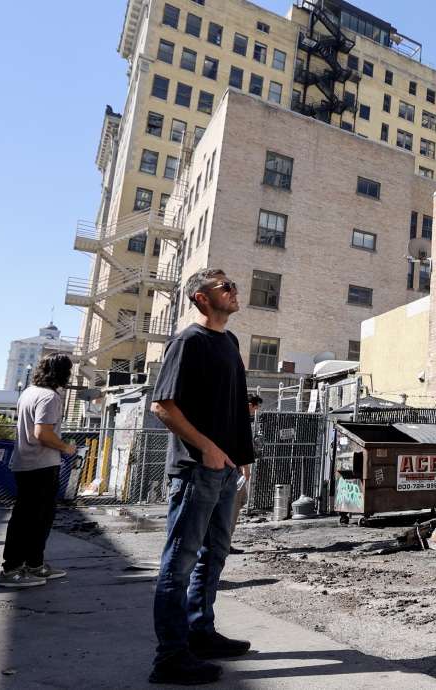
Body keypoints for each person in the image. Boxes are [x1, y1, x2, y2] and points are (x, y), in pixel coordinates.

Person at [149, 269, 255, 685]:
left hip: (226, 470)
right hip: (197, 470)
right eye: (225, 287)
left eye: (233, 284)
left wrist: (241, 458)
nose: (234, 291)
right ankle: (170, 656)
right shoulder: (187, 342)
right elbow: (164, 406)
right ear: (202, 298)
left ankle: (200, 632)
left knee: (214, 554)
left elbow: (234, 409)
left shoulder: (228, 342)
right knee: (180, 560)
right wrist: (208, 448)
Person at [0, 353, 76, 589]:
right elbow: (42, 433)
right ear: (62, 373)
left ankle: (34, 564)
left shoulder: (29, 393)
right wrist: (66, 448)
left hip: (26, 463)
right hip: (41, 466)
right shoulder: (49, 397)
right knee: (31, 520)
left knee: (33, 518)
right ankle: (12, 570)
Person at [227, 395, 263, 551]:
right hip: (233, 470)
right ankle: (223, 543)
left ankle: (222, 542)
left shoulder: (233, 417)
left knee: (239, 502)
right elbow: (240, 447)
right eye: (255, 407)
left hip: (231, 469)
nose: (256, 411)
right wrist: (246, 469)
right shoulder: (240, 421)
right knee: (233, 506)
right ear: (249, 405)